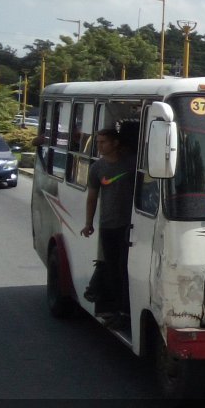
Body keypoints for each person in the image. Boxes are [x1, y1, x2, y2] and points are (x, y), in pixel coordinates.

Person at [81, 128, 136, 330]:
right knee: (113, 270)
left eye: (104, 142)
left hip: (129, 227)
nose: (99, 146)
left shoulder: (131, 164)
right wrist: (89, 223)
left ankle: (125, 311)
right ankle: (115, 309)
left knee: (124, 269)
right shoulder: (97, 168)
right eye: (98, 142)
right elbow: (92, 197)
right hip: (107, 225)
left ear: (115, 143)